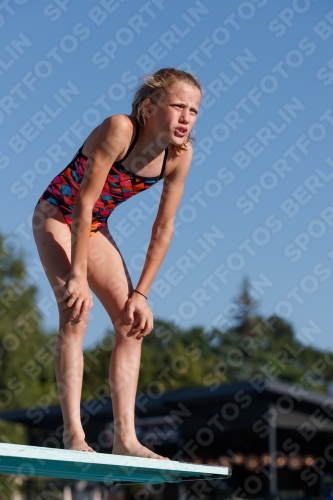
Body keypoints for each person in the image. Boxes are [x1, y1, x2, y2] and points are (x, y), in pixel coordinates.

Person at [32, 67, 202, 460]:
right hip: (57, 214)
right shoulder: (119, 130)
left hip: (93, 226)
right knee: (75, 312)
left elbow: (164, 227)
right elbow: (83, 204)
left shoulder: (179, 156)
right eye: (178, 106)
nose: (185, 118)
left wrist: (141, 293)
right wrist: (76, 276)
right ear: (148, 106)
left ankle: (127, 438)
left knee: (131, 323)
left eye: (193, 111)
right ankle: (74, 435)